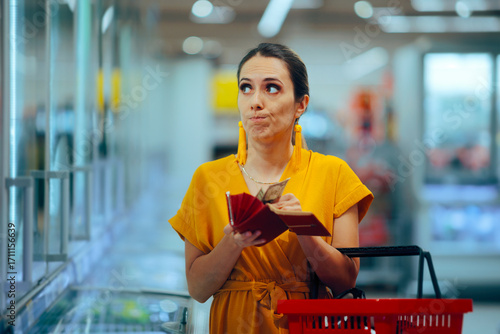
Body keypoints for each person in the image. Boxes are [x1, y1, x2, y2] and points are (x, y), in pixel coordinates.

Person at [169, 43, 373, 334]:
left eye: (272, 88)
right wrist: (233, 243)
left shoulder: (334, 174)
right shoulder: (208, 178)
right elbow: (198, 289)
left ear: (300, 104)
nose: (255, 101)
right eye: (246, 88)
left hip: (305, 323)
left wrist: (305, 231)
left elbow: (345, 281)